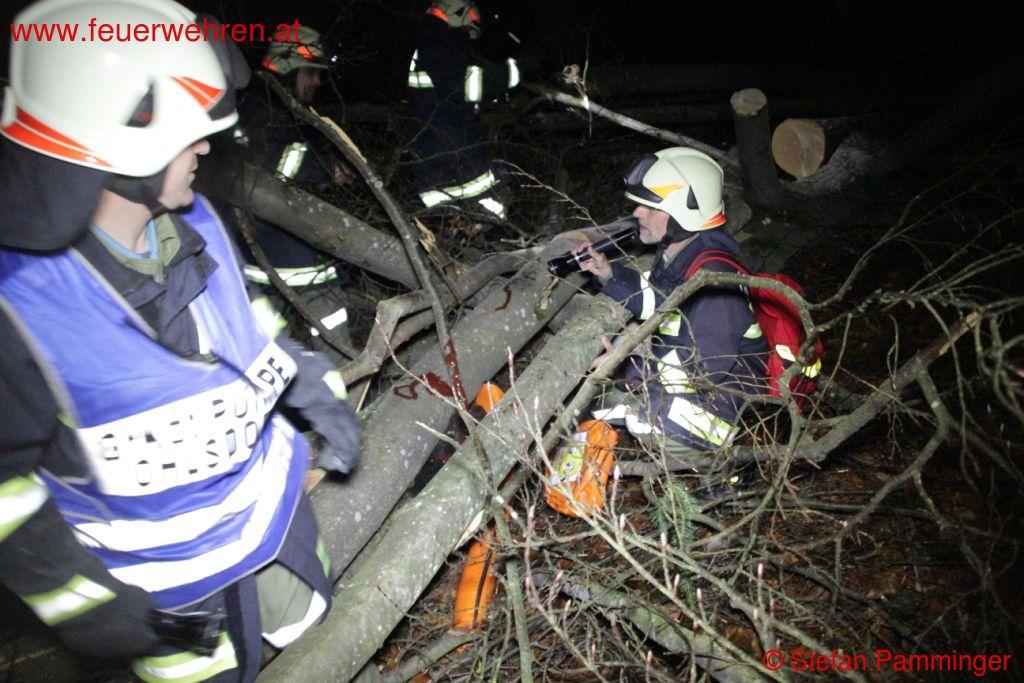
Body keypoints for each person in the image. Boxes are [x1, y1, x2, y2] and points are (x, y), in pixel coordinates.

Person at [0, 1, 361, 680]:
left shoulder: (198, 222)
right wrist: (91, 608)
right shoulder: (22, 305)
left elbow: (253, 333)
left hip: (274, 539)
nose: (206, 148)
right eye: (189, 135)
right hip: (166, 603)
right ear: (122, 143)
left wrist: (316, 392)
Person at [577, 147, 768, 469]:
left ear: (685, 213)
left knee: (637, 420)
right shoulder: (683, 253)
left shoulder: (715, 284)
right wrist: (609, 274)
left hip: (713, 408)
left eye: (651, 206)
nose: (637, 212)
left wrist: (625, 366)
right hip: (684, 381)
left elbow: (699, 373)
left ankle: (718, 478)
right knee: (598, 400)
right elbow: (658, 301)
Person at [231, 24, 355, 357]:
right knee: (330, 313)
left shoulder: (270, 104)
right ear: (289, 68)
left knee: (271, 342)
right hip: (283, 248)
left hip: (265, 251)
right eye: (311, 73)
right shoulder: (264, 111)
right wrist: (325, 168)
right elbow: (272, 167)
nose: (317, 82)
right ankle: (349, 378)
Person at [406, 0, 522, 220]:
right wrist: (517, 70)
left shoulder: (429, 42)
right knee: (491, 220)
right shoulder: (439, 43)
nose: (467, 37)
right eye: (467, 30)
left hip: (439, 165)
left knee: (455, 229)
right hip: (455, 160)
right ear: (458, 15)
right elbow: (466, 86)